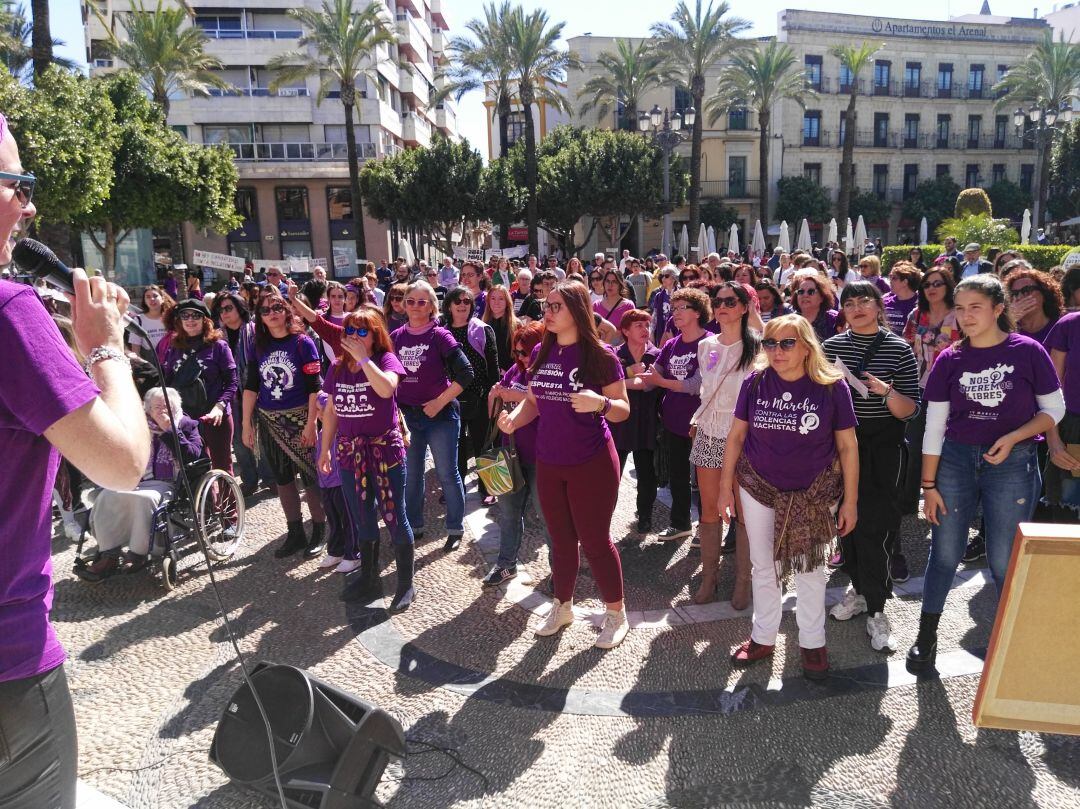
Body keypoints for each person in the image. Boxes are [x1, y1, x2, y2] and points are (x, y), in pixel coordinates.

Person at [1, 108, 151, 809]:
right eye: (16, 182)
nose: (29, 204)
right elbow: (122, 462)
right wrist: (103, 346)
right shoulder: (10, 314)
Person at [908, 275, 1064, 673]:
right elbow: (934, 427)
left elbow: (1054, 409)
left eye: (975, 307)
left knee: (1003, 558)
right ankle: (926, 635)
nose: (965, 316)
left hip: (1013, 462)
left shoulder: (1028, 351)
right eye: (960, 308)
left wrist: (1014, 437)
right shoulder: (950, 358)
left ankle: (1011, 640)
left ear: (998, 309)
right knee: (944, 552)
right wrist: (928, 486)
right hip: (956, 461)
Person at [718, 314, 859, 680]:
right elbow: (735, 438)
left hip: (817, 493)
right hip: (759, 488)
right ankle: (763, 636)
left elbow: (847, 446)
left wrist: (851, 501)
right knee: (764, 567)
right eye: (769, 343)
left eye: (786, 343)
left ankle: (813, 643)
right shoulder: (755, 382)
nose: (777, 352)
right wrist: (724, 490)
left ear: (807, 346)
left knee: (811, 569)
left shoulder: (831, 386)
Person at [497, 282, 631, 649]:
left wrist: (600, 403)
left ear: (577, 309)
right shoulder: (542, 350)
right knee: (559, 539)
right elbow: (534, 402)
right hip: (549, 460)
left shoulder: (601, 356)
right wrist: (513, 419)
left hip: (592, 461)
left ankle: (616, 614)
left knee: (595, 541)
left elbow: (623, 409)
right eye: (547, 305)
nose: (548, 312)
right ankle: (562, 606)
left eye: (556, 306)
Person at [822, 282, 920, 653]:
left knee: (877, 527)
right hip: (840, 445)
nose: (858, 307)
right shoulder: (831, 348)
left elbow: (911, 409)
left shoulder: (898, 349)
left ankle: (878, 607)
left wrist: (885, 392)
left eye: (865, 301)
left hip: (883, 448)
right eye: (850, 303)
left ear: (880, 306)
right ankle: (861, 592)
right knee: (845, 525)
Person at [321, 309, 417, 610]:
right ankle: (370, 579)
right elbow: (332, 411)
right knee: (361, 516)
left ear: (376, 334)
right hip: (351, 455)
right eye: (349, 330)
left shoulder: (385, 360)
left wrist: (364, 361)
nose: (354, 336)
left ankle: (405, 583)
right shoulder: (336, 368)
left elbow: (386, 388)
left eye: (363, 331)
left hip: (384, 453)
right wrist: (324, 449)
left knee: (394, 516)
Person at [78, 388, 204, 581]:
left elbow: (193, 455)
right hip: (136, 479)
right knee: (107, 496)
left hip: (167, 483)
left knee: (146, 500)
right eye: (157, 407)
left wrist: (170, 431)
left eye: (166, 407)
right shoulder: (138, 427)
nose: (162, 411)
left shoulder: (186, 425)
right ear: (147, 410)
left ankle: (138, 553)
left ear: (176, 408)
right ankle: (109, 554)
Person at [241, 289, 327, 559]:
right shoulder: (258, 345)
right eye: (265, 310)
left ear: (287, 310)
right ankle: (294, 532)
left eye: (277, 307)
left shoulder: (303, 343)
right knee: (282, 479)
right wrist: (246, 423)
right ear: (260, 317)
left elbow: (315, 387)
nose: (272, 314)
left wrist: (311, 423)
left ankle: (320, 529)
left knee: (310, 476)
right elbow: (252, 385)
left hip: (301, 417)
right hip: (269, 420)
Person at [688, 282, 760, 607]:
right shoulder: (705, 346)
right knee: (709, 510)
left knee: (744, 513)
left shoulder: (758, 347)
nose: (723, 306)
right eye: (718, 301)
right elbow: (705, 389)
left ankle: (743, 583)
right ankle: (709, 580)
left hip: (744, 438)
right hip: (709, 432)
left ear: (745, 306)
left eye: (731, 301)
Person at [392, 281, 475, 550]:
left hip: (440, 417)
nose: (416, 306)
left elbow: (466, 374)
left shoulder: (441, 336)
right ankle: (414, 526)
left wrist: (439, 403)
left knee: (447, 473)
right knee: (412, 475)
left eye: (422, 302)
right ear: (404, 305)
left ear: (432, 307)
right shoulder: (395, 338)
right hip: (408, 418)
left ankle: (454, 528)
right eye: (411, 301)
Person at [640, 287, 709, 541]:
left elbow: (696, 385)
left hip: (700, 422)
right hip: (672, 420)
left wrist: (662, 381)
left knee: (704, 480)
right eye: (674, 307)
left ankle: (707, 527)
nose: (675, 312)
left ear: (698, 312)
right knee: (678, 476)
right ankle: (681, 524)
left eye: (682, 308)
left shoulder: (709, 343)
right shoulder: (670, 344)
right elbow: (651, 379)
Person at [484, 321, 551, 586]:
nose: (521, 358)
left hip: (539, 456)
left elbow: (548, 410)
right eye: (517, 352)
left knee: (548, 518)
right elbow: (491, 413)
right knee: (509, 514)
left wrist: (520, 395)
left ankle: (559, 570)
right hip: (508, 455)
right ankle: (505, 564)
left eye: (525, 353)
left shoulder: (545, 373)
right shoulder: (514, 370)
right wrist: (495, 395)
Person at [162, 299, 237, 473]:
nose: (190, 319)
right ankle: (207, 501)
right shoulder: (174, 347)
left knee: (222, 467)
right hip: (186, 418)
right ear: (179, 320)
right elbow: (168, 382)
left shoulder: (218, 346)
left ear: (205, 319)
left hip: (215, 417)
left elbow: (232, 382)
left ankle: (228, 501)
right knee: (195, 467)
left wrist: (219, 407)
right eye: (185, 315)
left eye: (196, 315)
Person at [442, 286, 500, 507]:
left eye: (467, 301)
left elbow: (493, 368)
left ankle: (491, 488)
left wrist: (494, 395)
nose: (463, 305)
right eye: (458, 301)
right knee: (454, 447)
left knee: (484, 445)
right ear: (449, 305)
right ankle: (455, 490)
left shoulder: (483, 330)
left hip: (481, 396)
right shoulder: (442, 332)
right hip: (452, 399)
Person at [211, 292, 269, 496]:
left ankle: (269, 478)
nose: (224, 313)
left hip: (257, 391)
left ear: (239, 308)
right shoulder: (217, 336)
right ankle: (250, 479)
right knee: (238, 440)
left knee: (261, 437)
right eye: (221, 309)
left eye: (228, 308)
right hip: (231, 395)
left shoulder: (255, 331)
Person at [610, 309, 661, 534]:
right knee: (611, 476)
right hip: (619, 424)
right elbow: (605, 384)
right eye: (639, 325)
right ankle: (603, 517)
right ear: (625, 330)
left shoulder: (657, 354)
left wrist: (624, 380)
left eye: (647, 325)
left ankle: (645, 516)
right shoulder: (613, 355)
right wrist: (631, 374)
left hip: (647, 423)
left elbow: (648, 384)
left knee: (647, 474)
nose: (644, 329)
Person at [1044, 308, 1080, 519]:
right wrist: (1053, 440)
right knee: (1067, 515)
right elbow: (1050, 389)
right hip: (1072, 433)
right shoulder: (1070, 324)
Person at [1007, 268, 1063, 345]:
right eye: (1014, 293)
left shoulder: (1060, 327)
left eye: (1027, 290)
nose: (1019, 297)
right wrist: (1009, 320)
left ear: (1044, 294)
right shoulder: (1007, 330)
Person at [127, 284, 174, 360]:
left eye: (155, 296)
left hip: (171, 362)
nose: (152, 299)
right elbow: (136, 350)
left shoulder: (171, 318)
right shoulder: (139, 320)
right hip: (152, 364)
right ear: (144, 301)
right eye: (148, 297)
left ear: (162, 299)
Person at [791, 270, 841, 342]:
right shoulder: (789, 321)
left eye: (811, 291)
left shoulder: (835, 319)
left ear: (822, 297)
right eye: (801, 291)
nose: (805, 295)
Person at [483, 284, 520, 372]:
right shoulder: (483, 325)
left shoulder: (516, 324)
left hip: (510, 374)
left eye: (501, 298)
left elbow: (520, 354)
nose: (496, 302)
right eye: (493, 298)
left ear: (507, 301)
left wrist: (509, 372)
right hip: (489, 374)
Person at [883, 261, 921, 337]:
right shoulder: (884, 301)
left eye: (894, 278)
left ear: (905, 282)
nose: (890, 281)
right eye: (889, 277)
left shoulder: (921, 303)